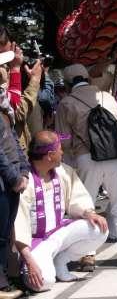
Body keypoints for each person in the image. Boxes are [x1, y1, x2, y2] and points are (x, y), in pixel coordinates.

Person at [55, 64, 117, 269]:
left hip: (86, 158)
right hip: (116, 157)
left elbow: (63, 139)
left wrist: (70, 154)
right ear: (87, 78)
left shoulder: (66, 103)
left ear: (67, 83)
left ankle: (88, 255)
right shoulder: (105, 97)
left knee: (87, 205)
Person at [14, 131, 108, 292]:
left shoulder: (63, 171)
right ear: (50, 155)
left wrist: (88, 213)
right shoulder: (25, 181)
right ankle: (39, 265)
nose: (62, 152)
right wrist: (29, 261)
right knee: (43, 282)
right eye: (59, 148)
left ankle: (60, 261)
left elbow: (77, 198)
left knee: (99, 228)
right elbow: (18, 226)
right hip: (34, 243)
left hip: (58, 234)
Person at [0, 49, 29, 299]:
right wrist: (14, 176)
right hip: (4, 179)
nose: (6, 72)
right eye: (3, 69)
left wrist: (24, 170)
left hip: (11, 178)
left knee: (5, 232)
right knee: (0, 234)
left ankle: (4, 280)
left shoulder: (3, 105)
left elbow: (12, 141)